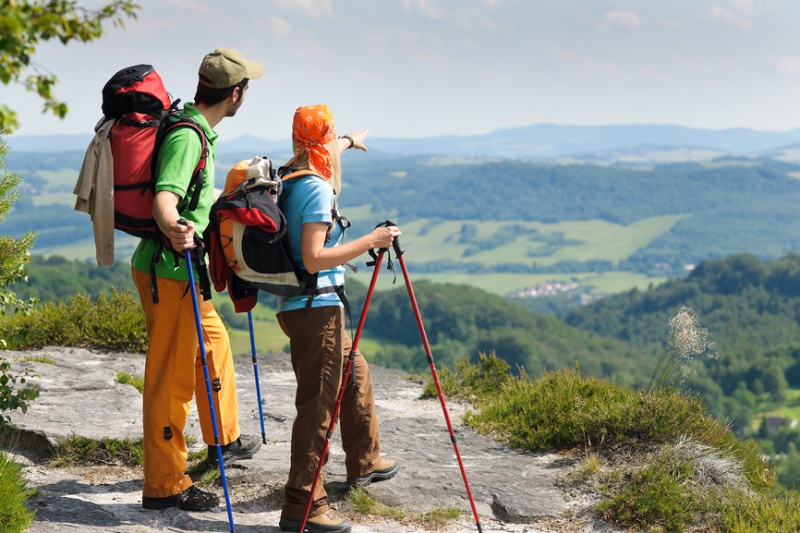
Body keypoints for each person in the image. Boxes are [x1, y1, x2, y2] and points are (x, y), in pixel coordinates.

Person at [131, 48, 265, 512]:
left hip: (183, 271)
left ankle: (223, 439)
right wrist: (175, 226)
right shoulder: (188, 136)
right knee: (171, 378)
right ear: (235, 95)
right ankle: (165, 484)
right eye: (246, 89)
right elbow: (165, 197)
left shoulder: (195, 126)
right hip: (170, 272)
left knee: (214, 346)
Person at [275, 104, 401, 533]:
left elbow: (325, 149)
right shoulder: (317, 190)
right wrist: (372, 239)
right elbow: (313, 257)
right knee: (317, 408)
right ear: (321, 141)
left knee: (355, 369)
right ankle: (303, 506)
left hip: (300, 307)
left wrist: (349, 139)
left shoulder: (291, 172)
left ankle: (364, 462)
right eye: (332, 139)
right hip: (317, 309)